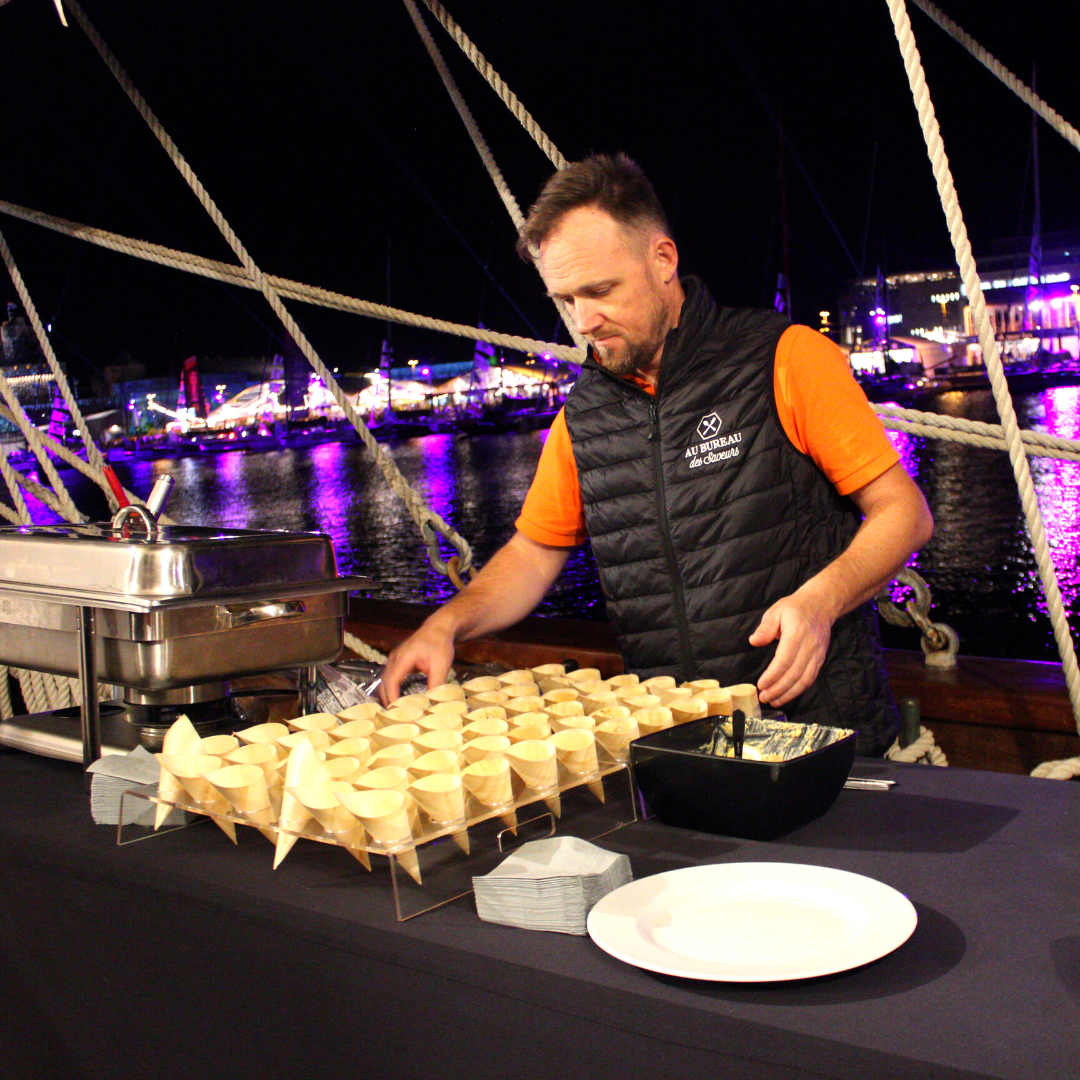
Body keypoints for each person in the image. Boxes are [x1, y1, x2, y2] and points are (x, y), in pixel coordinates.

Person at [382, 153, 933, 754]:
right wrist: (445, 625)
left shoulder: (783, 356)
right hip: (682, 742)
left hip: (823, 734)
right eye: (565, 300)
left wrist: (821, 602)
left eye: (600, 290)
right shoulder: (582, 415)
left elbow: (903, 512)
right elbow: (533, 554)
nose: (584, 320)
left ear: (663, 260)